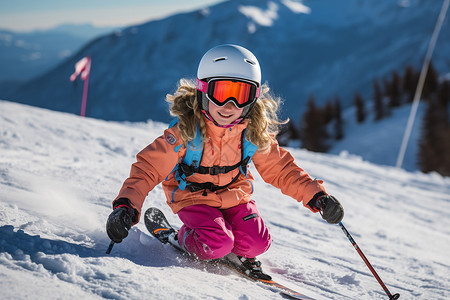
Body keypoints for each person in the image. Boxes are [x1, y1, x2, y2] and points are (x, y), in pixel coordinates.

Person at [106, 44, 344, 279]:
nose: (230, 106)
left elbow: (282, 169)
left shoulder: (252, 132)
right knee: (218, 243)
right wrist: (127, 205)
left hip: (234, 195)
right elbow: (148, 168)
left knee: (258, 243)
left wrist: (317, 196)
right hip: (192, 197)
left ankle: (228, 243)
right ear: (203, 91)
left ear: (253, 98)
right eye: (221, 93)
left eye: (241, 95)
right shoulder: (186, 131)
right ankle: (184, 237)